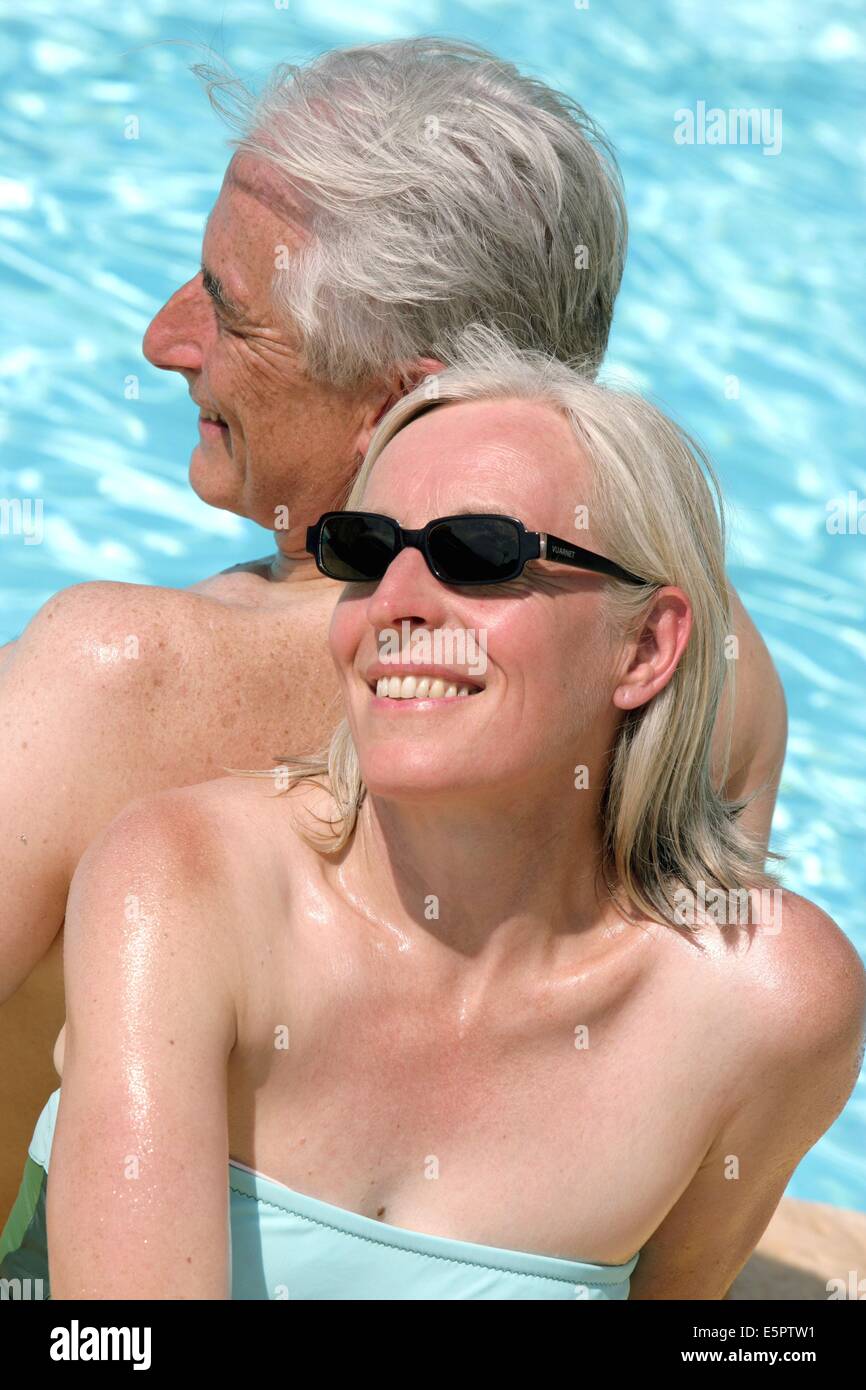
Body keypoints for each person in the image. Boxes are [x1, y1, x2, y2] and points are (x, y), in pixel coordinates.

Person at [0, 38, 787, 1222]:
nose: (165, 341)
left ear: (395, 404)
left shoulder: (115, 675)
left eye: (230, 314)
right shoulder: (687, 648)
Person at [4, 343, 859, 1300]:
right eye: (364, 551)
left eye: (479, 554)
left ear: (646, 647)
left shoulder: (764, 1005)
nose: (395, 605)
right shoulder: (187, 890)